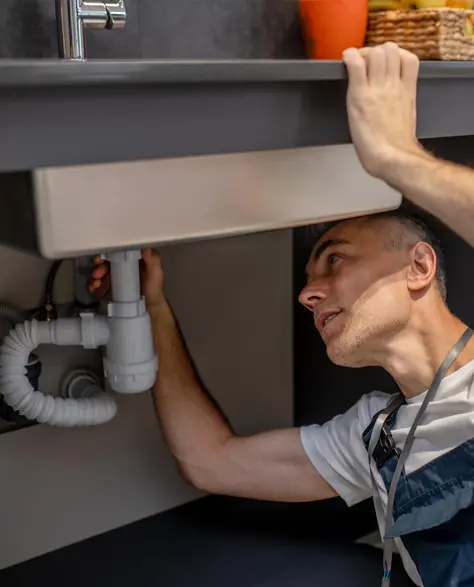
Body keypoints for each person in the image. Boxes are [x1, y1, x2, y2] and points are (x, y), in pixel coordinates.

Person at [89, 44, 474, 587]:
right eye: (308, 278)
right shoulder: (377, 434)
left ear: (418, 267)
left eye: (334, 259)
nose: (307, 294)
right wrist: (153, 307)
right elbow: (212, 461)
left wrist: (394, 157)